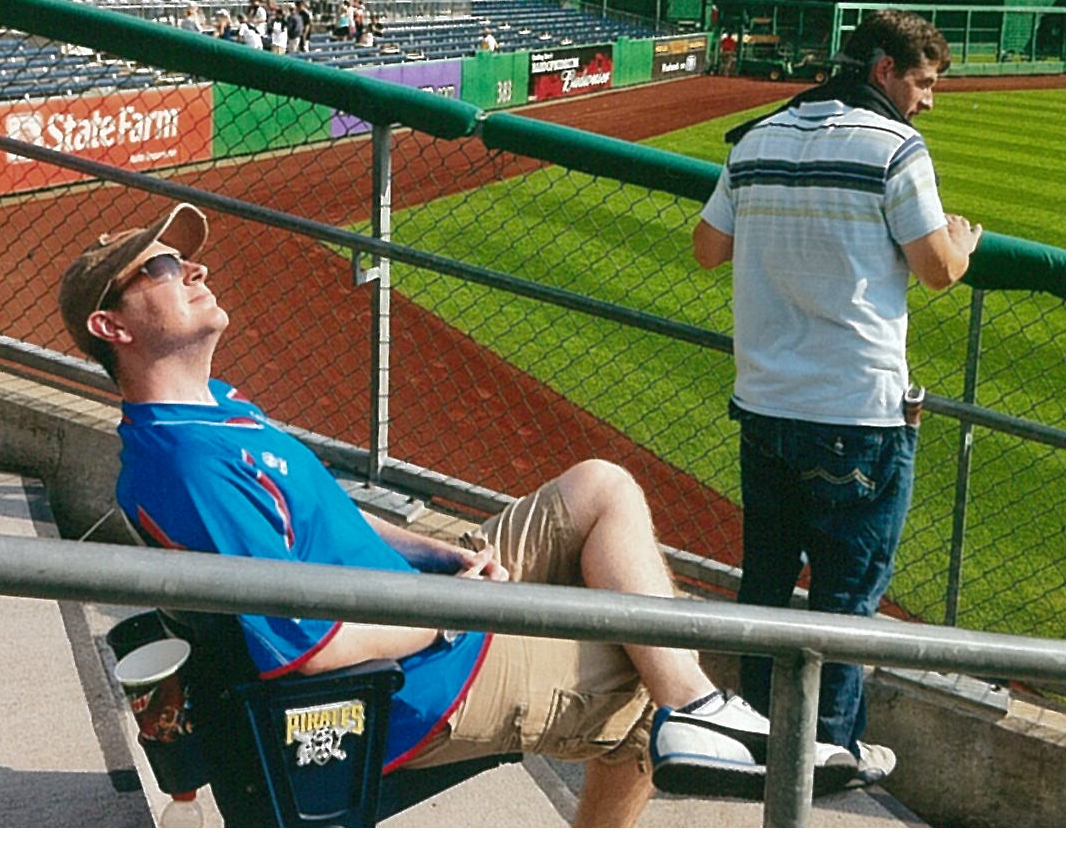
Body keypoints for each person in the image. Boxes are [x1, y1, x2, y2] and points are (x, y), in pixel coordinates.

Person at [59, 205, 857, 826]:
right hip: (414, 684)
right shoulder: (188, 468)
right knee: (643, 673)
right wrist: (445, 613)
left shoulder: (216, 408)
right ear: (113, 326)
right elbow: (309, 650)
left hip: (420, 600)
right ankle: (682, 713)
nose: (193, 266)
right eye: (163, 266)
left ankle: (696, 709)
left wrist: (437, 557)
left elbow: (330, 515)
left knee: (600, 487)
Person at [691, 8, 984, 791]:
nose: (929, 100)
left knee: (764, 583)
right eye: (922, 83)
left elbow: (705, 248)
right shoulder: (895, 148)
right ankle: (825, 758)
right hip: (856, 415)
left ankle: (752, 738)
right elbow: (936, 271)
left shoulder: (758, 138)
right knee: (846, 600)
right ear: (883, 70)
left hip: (765, 406)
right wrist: (964, 238)